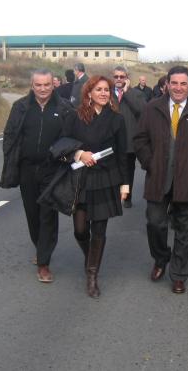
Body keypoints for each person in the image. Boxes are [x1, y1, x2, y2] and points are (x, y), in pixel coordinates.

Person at [134, 65, 188, 295]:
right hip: (158, 178)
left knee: (184, 229)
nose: (179, 88)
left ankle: (179, 274)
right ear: (167, 84)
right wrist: (149, 162)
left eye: (184, 83)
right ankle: (161, 258)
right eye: (175, 83)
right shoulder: (152, 108)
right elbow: (140, 139)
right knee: (155, 223)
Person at [0, 69, 74, 283]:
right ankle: (40, 247)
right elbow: (10, 135)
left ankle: (44, 263)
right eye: (38, 85)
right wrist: (12, 157)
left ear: (54, 85)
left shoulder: (65, 108)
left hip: (53, 170)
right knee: (32, 214)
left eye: (47, 85)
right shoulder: (21, 107)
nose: (43, 89)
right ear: (32, 86)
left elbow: (71, 138)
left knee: (48, 215)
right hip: (27, 170)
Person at [61, 75, 130, 298]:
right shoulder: (75, 117)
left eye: (106, 90)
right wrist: (80, 153)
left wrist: (125, 184)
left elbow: (123, 154)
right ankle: (90, 255)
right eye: (98, 89)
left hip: (107, 178)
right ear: (88, 93)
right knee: (80, 229)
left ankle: (92, 275)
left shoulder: (117, 120)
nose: (103, 93)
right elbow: (62, 144)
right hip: (81, 178)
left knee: (99, 230)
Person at [108, 66, 147, 209]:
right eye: (116, 76)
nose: (119, 79)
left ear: (127, 78)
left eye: (121, 76)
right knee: (113, 169)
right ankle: (115, 196)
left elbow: (142, 110)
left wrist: (127, 93)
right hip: (112, 140)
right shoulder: (107, 93)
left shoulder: (136, 93)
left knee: (128, 170)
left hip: (130, 140)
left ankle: (128, 196)